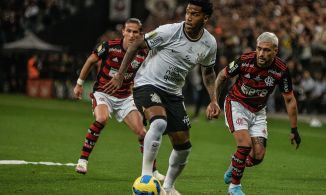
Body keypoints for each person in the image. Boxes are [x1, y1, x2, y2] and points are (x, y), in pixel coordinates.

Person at [103, 0, 221, 194]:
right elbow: (135, 46)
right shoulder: (169, 31)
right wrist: (120, 75)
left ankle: (168, 187)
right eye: (188, 12)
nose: (189, 17)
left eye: (195, 14)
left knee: (184, 147)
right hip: (147, 83)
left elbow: (208, 72)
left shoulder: (209, 43)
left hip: (173, 93)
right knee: (159, 123)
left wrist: (214, 99)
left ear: (205, 18)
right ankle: (146, 177)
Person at [208, 32, 301, 195]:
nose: (261, 54)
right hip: (236, 104)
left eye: (266, 50)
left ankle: (235, 164)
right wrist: (214, 100)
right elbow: (222, 75)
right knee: (244, 145)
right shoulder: (245, 60)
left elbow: (290, 100)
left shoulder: (281, 70)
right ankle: (234, 187)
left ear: (275, 51)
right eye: (259, 49)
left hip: (258, 111)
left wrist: (294, 129)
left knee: (257, 156)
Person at [73, 18, 164, 181]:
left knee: (142, 132)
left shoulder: (143, 53)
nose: (131, 35)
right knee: (101, 119)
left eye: (135, 32)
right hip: (103, 92)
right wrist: (79, 84)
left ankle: (153, 171)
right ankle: (83, 160)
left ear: (140, 34)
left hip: (125, 97)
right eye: (128, 31)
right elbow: (91, 60)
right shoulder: (110, 46)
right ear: (123, 32)